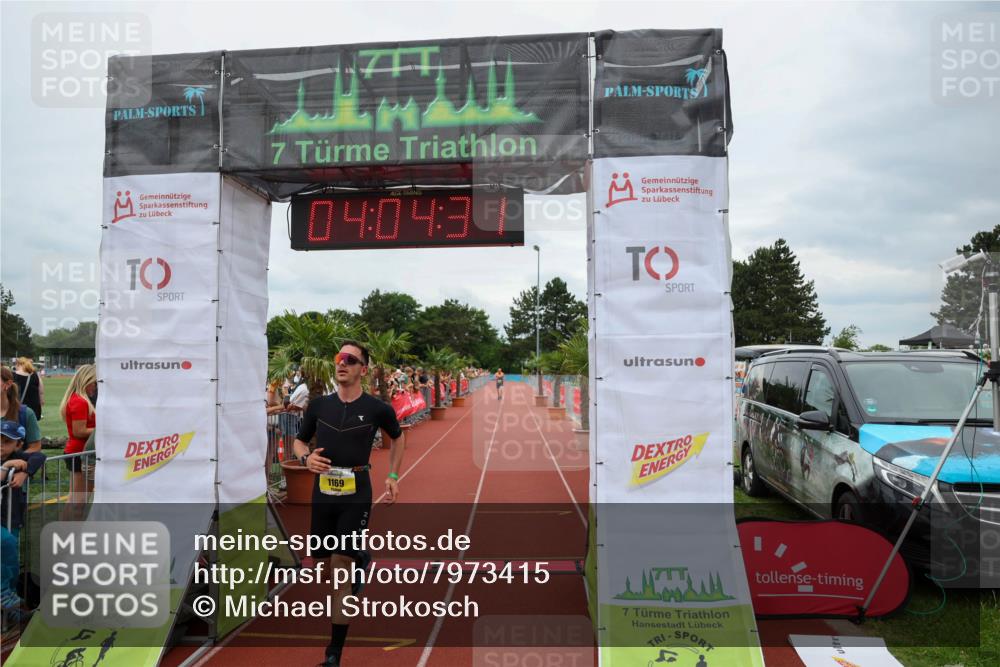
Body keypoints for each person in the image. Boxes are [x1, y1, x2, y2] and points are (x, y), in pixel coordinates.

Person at [291, 342, 404, 667]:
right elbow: (300, 439)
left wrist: (393, 474)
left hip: (357, 491)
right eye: (338, 359)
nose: (341, 364)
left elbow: (397, 436)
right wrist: (305, 457)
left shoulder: (377, 408)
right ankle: (362, 557)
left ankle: (333, 655)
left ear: (363, 369)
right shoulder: (318, 406)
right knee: (324, 567)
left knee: (340, 571)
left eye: (350, 360)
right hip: (323, 493)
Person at [1, 419, 45, 631]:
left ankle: (8, 606)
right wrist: (7, 467)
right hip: (3, 521)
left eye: (7, 442)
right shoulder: (9, 461)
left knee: (11, 559)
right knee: (5, 547)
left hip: (13, 519)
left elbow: (39, 455)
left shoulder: (19, 457)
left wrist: (24, 471)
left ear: (18, 445)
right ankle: (3, 595)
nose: (1, 445)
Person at [60, 365, 97, 513]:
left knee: (74, 500)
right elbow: (79, 431)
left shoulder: (78, 399)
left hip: (78, 452)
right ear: (86, 380)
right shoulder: (80, 401)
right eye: (94, 382)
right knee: (78, 501)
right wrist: (101, 431)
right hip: (79, 453)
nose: (95, 386)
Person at [1, 367, 41, 454]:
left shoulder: (26, 413)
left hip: (12, 467)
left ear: (8, 384)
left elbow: (35, 447)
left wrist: (14, 460)